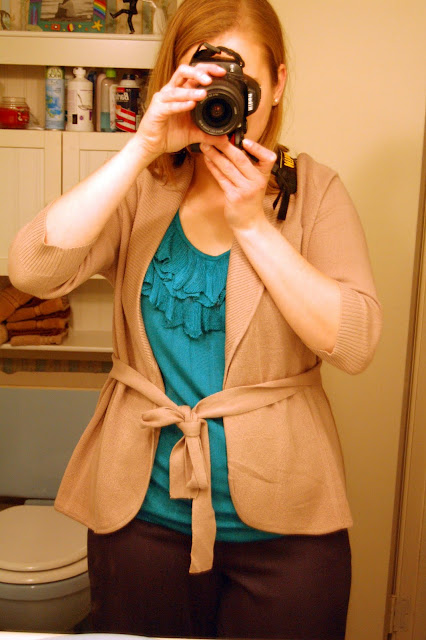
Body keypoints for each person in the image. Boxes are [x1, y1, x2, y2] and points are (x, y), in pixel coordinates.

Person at [8, 0, 382, 638]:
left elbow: (355, 342)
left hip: (287, 529)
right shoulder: (144, 188)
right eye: (204, 81)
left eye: (242, 83)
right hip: (141, 517)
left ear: (278, 84)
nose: (223, 100)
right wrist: (141, 148)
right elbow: (32, 269)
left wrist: (253, 226)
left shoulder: (314, 191)